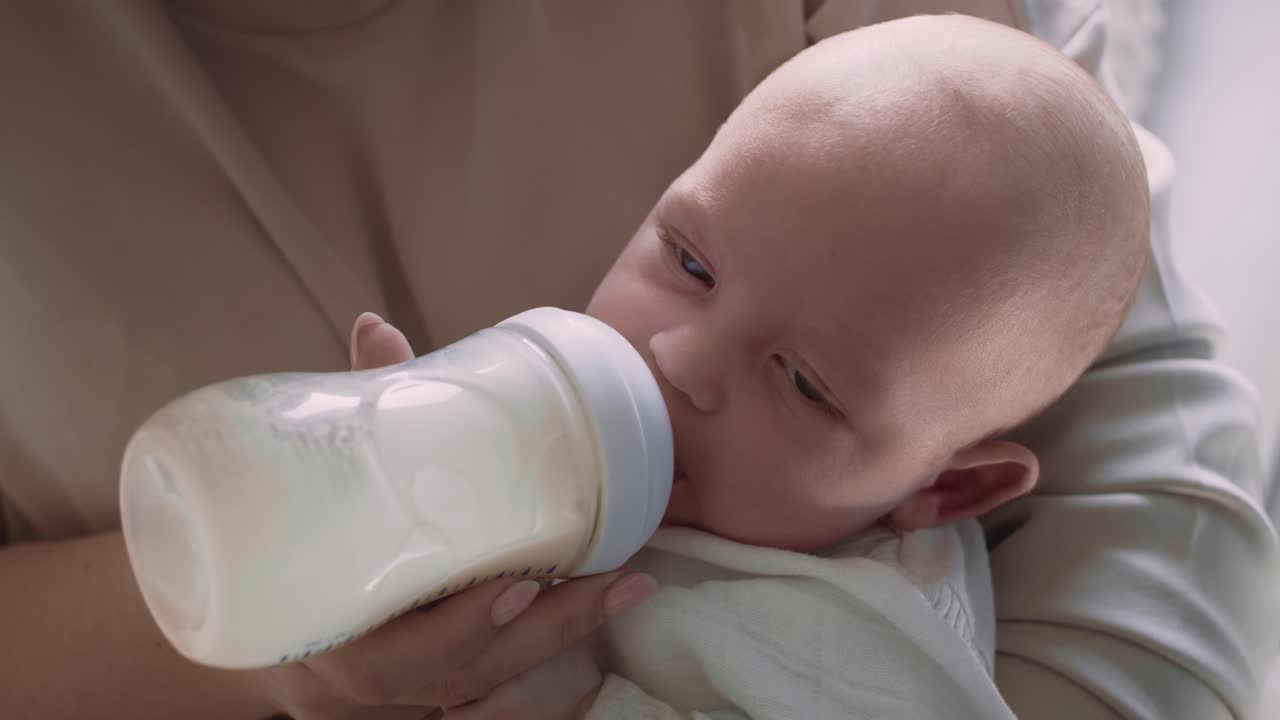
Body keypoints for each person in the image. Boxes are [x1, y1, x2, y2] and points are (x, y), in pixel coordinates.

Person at [0, 2, 1275, 719]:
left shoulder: (849, 652)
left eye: (807, 384)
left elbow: (1166, 517)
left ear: (935, 494)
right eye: (689, 261)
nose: (677, 360)